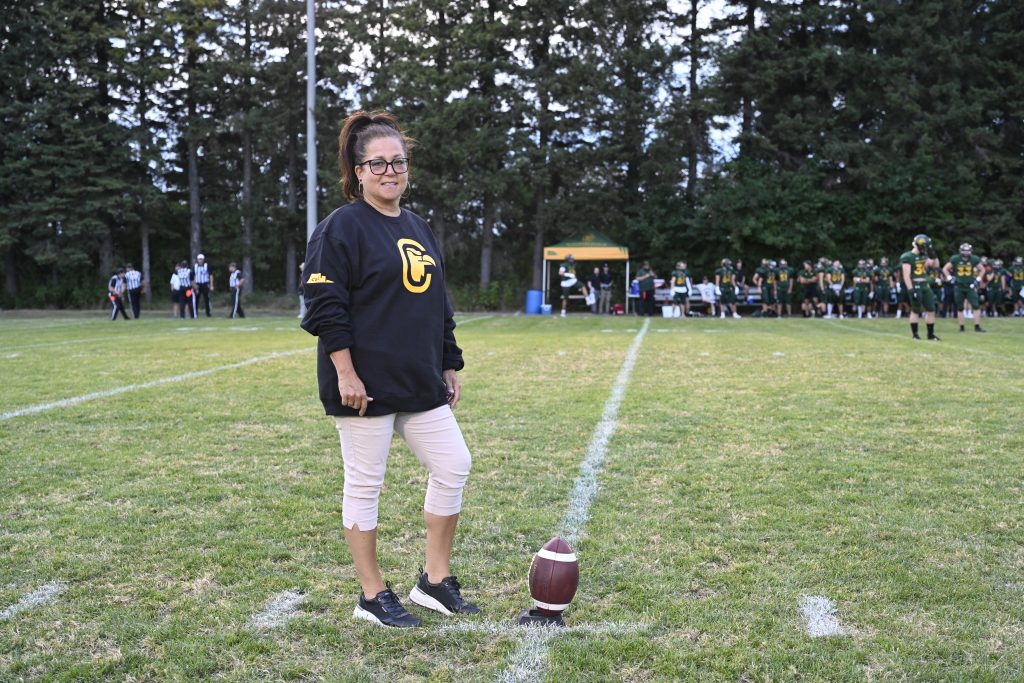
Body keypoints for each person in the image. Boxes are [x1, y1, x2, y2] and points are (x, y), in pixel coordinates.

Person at [301, 110, 478, 629]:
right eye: (377, 163)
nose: (389, 171)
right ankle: (372, 595)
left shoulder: (417, 226)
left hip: (417, 378)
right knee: (365, 484)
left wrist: (448, 361)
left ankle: (434, 582)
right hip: (365, 384)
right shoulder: (340, 229)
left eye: (397, 161)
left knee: (454, 465)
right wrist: (346, 373)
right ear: (357, 171)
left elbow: (437, 303)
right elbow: (325, 308)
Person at [901, 233, 941, 340]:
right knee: (915, 310)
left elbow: (936, 265)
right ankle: (915, 335)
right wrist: (911, 290)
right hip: (915, 285)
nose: (926, 249)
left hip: (925, 285)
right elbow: (906, 275)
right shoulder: (907, 256)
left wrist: (933, 255)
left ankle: (930, 334)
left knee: (931, 310)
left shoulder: (924, 255)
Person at [942, 243, 985, 333]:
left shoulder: (974, 259)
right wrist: (950, 278)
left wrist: (978, 279)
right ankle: (962, 327)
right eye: (964, 251)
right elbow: (945, 269)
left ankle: (977, 326)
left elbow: (982, 269)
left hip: (970, 286)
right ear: (960, 251)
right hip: (959, 285)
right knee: (960, 307)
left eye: (968, 251)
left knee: (976, 306)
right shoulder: (955, 259)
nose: (966, 253)